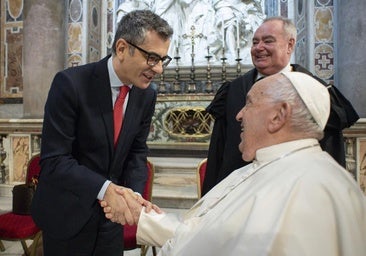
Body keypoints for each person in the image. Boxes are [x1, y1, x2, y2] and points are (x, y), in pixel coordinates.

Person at [102, 72, 366, 256]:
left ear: (278, 116)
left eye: (249, 103)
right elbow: (214, 235)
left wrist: (141, 218)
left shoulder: (310, 189)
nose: (238, 114)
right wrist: (143, 217)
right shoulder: (269, 167)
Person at [31, 10, 173, 256]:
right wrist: (105, 188)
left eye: (163, 59)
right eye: (152, 58)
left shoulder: (146, 94)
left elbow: (137, 151)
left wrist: (134, 198)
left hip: (111, 221)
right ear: (121, 48)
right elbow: (55, 160)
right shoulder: (70, 84)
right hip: (68, 216)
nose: (159, 68)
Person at [202, 16, 359, 196]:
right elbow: (218, 152)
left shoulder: (314, 93)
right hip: (237, 197)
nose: (259, 47)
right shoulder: (234, 90)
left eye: (268, 41)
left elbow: (331, 153)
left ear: (290, 45)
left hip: (295, 198)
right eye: (255, 42)